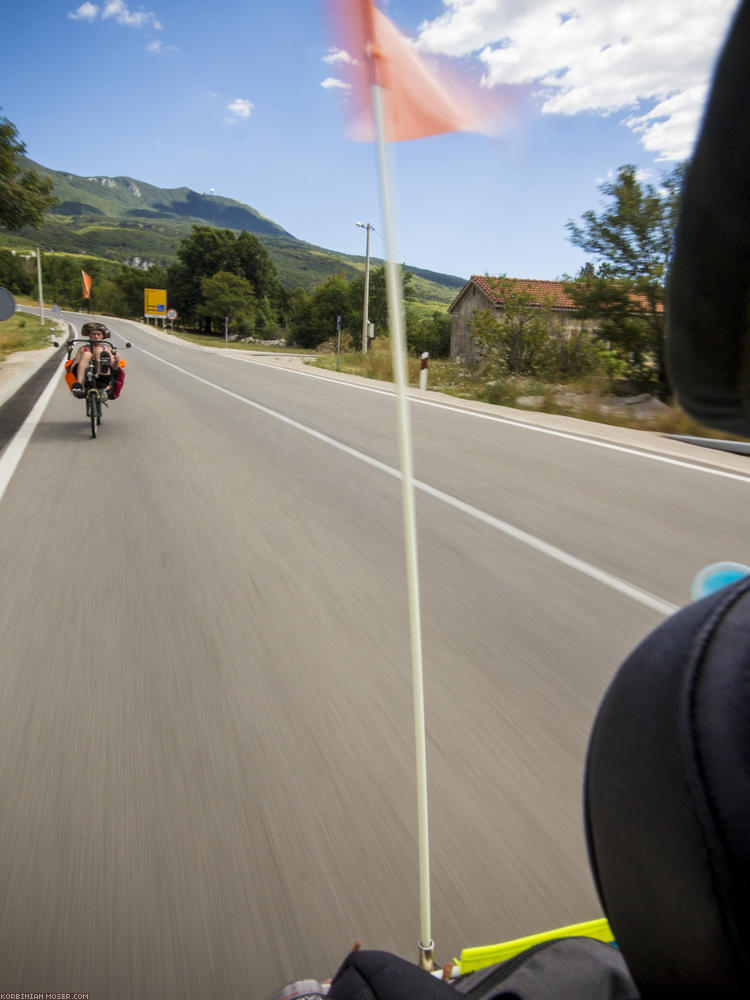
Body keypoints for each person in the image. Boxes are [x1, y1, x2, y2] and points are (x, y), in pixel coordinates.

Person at [70, 321, 119, 399]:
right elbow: (74, 366)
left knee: (100, 353)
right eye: (93, 334)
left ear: (102, 336)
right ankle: (79, 385)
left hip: (103, 377)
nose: (96, 337)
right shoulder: (83, 349)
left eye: (98, 334)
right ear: (89, 335)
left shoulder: (107, 349)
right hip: (85, 376)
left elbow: (114, 367)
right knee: (86, 354)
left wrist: (117, 359)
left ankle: (103, 386)